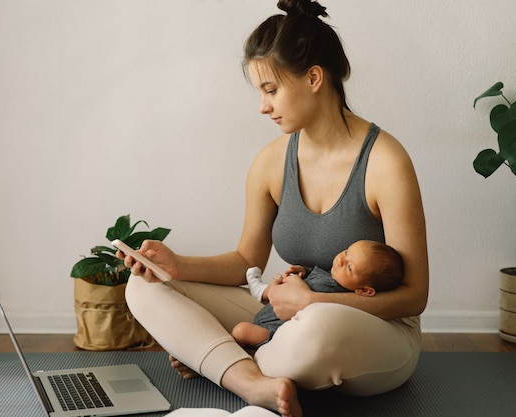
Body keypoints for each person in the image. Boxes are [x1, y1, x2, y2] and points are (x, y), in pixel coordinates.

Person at [121, 1, 429, 416]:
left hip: (369, 330)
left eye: (271, 89)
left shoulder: (385, 163)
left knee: (319, 329)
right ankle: (254, 384)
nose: (263, 106)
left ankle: (218, 358)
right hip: (281, 318)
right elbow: (247, 261)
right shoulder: (270, 162)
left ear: (314, 77)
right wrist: (178, 267)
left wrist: (313, 305)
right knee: (145, 286)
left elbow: (414, 297)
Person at [233, 240, 405, 348]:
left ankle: (251, 350)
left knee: (241, 331)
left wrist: (299, 287)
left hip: (276, 331)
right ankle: (262, 291)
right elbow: (314, 277)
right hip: (271, 309)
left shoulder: (342, 297)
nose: (340, 260)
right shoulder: (331, 275)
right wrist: (302, 272)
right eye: (346, 252)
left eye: (350, 267)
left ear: (364, 291)